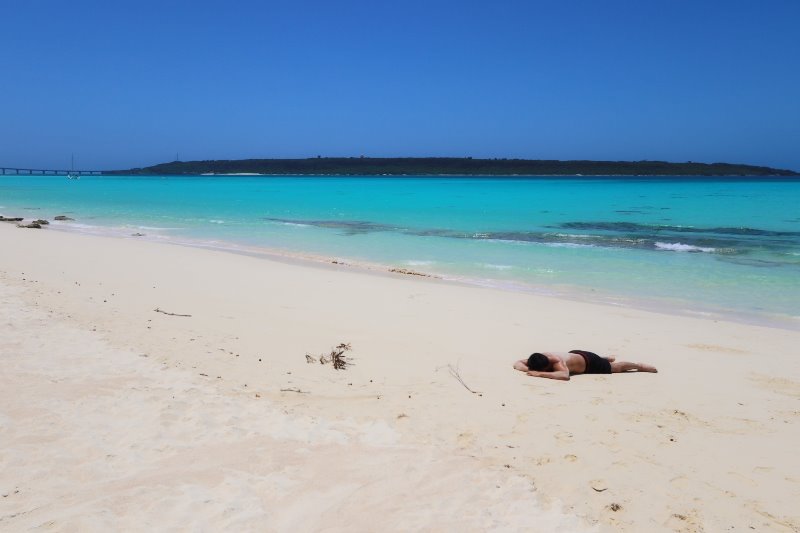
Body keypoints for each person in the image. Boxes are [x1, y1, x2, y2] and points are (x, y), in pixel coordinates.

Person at [513, 349, 657, 381]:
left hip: (589, 362)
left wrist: (539, 374)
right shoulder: (537, 359)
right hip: (576, 355)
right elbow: (517, 363)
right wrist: (528, 369)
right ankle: (605, 358)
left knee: (616, 368)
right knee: (602, 360)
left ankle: (639, 366)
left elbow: (565, 375)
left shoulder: (556, 361)